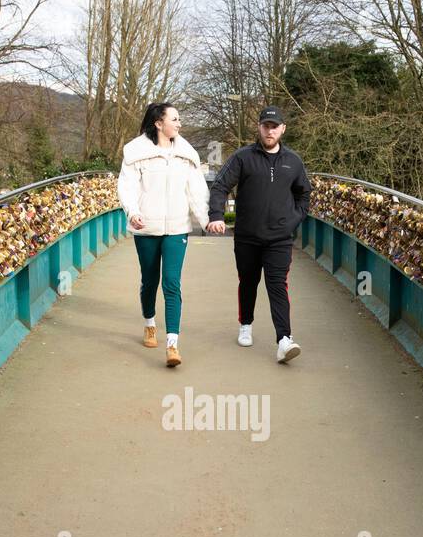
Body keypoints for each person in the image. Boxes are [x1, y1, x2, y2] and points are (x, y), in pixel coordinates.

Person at [206, 106, 312, 363]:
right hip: (247, 237)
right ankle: (246, 324)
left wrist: (293, 221)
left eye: (275, 126)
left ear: (282, 129)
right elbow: (220, 186)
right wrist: (217, 216)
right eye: (266, 125)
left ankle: (284, 340)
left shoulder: (293, 161)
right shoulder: (243, 157)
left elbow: (304, 194)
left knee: (277, 285)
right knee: (248, 282)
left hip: (279, 238)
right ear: (259, 127)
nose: (270, 130)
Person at [117, 102, 210, 367]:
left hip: (177, 229)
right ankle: (149, 323)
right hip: (146, 228)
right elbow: (127, 186)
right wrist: (132, 211)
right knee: (149, 281)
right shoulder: (136, 153)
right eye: (175, 119)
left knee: (172, 283)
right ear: (159, 123)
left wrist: (205, 220)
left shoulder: (186, 154)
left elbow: (197, 191)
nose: (179, 124)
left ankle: (172, 345)